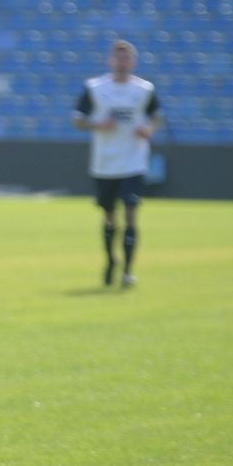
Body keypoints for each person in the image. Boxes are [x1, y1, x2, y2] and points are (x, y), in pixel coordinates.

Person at [72, 40, 161, 287]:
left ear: (133, 62)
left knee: (131, 213)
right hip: (105, 163)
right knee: (109, 215)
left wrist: (149, 129)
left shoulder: (144, 90)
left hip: (133, 161)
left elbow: (157, 117)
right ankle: (111, 260)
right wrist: (97, 124)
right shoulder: (95, 88)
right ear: (111, 60)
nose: (123, 62)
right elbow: (77, 119)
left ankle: (128, 271)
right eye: (119, 58)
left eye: (127, 58)